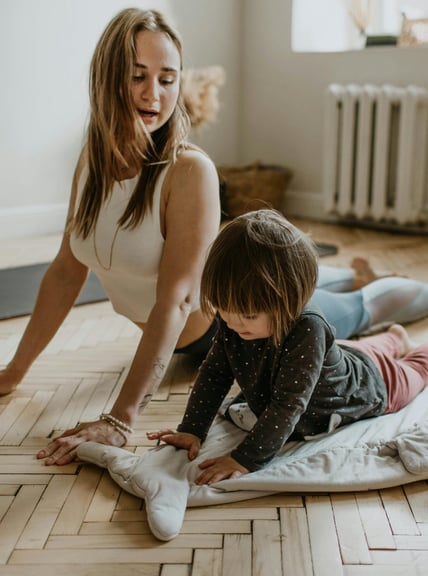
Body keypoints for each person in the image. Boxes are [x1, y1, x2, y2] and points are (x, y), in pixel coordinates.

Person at [1, 7, 428, 465]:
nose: (153, 94)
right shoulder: (92, 161)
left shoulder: (188, 170)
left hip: (236, 327)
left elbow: (177, 301)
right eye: (137, 76)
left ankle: (396, 288)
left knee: (365, 309)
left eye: (167, 79)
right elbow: (66, 271)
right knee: (315, 282)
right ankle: (342, 274)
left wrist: (121, 418)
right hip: (216, 315)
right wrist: (12, 372)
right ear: (106, 77)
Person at [147, 210, 428, 485]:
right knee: (363, 351)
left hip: (375, 384)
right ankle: (395, 339)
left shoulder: (308, 328)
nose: (231, 323)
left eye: (248, 316)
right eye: (223, 310)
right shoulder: (235, 319)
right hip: (338, 356)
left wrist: (244, 459)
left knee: (415, 368)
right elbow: (215, 372)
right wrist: (192, 429)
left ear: (289, 302)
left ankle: (405, 346)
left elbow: (287, 405)